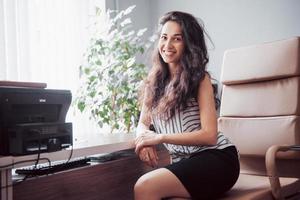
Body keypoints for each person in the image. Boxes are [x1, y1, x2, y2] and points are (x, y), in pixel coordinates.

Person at [134, 11, 240, 200]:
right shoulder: (154, 80)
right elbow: (143, 123)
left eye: (177, 39)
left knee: (145, 186)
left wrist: (159, 138)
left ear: (188, 44)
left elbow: (210, 136)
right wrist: (143, 142)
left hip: (217, 158)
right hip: (186, 162)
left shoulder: (200, 79)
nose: (167, 45)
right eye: (164, 38)